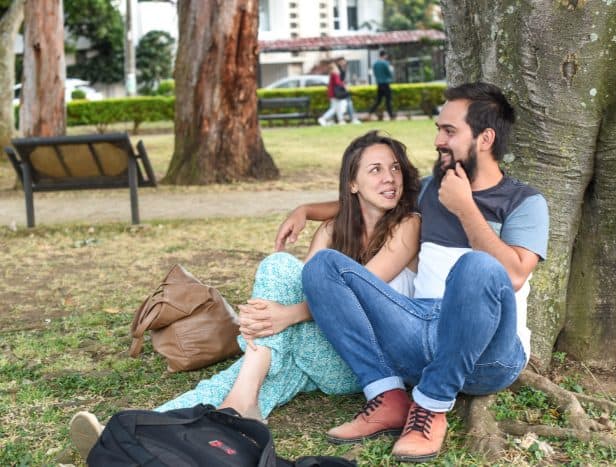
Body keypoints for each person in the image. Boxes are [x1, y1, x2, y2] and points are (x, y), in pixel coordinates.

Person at [68, 130, 422, 460]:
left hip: (364, 362)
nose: (388, 178)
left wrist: (285, 316)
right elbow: (309, 288)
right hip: (315, 352)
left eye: (394, 168)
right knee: (256, 364)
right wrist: (282, 314)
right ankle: (139, 434)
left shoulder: (408, 226)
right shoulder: (331, 230)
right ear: (353, 183)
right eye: (375, 169)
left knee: (279, 270)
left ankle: (237, 395)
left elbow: (358, 292)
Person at [275, 82, 549, 463]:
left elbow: (515, 274)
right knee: (325, 266)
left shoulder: (525, 201)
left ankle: (432, 406)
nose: (438, 139)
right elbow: (374, 195)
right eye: (439, 128)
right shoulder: (430, 189)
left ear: (484, 139)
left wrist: (466, 209)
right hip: (418, 332)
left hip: (489, 354)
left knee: (478, 266)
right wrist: (306, 209)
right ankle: (387, 395)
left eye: (449, 131)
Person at [367, 50, 395, 120]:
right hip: (386, 83)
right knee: (388, 100)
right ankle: (391, 116)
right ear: (385, 55)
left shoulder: (375, 64)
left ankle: (369, 114)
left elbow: (374, 73)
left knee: (378, 101)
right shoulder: (385, 63)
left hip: (379, 83)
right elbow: (389, 73)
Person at [335, 57, 361, 124]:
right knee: (346, 103)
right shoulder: (338, 70)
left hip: (342, 90)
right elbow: (339, 81)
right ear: (339, 62)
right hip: (340, 90)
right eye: (342, 61)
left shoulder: (343, 69)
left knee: (348, 103)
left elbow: (342, 80)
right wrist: (344, 86)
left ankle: (352, 118)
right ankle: (352, 119)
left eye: (344, 61)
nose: (344, 63)